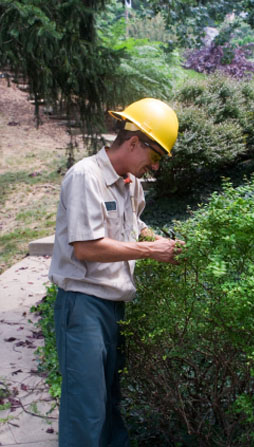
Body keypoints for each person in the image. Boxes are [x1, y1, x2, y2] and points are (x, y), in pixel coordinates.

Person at [48, 97, 183, 447]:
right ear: (134, 142)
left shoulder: (129, 183)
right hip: (83, 306)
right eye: (154, 157)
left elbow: (130, 223)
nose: (154, 168)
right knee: (86, 409)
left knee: (110, 405)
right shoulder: (85, 177)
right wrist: (150, 251)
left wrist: (155, 238)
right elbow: (87, 246)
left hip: (114, 307)